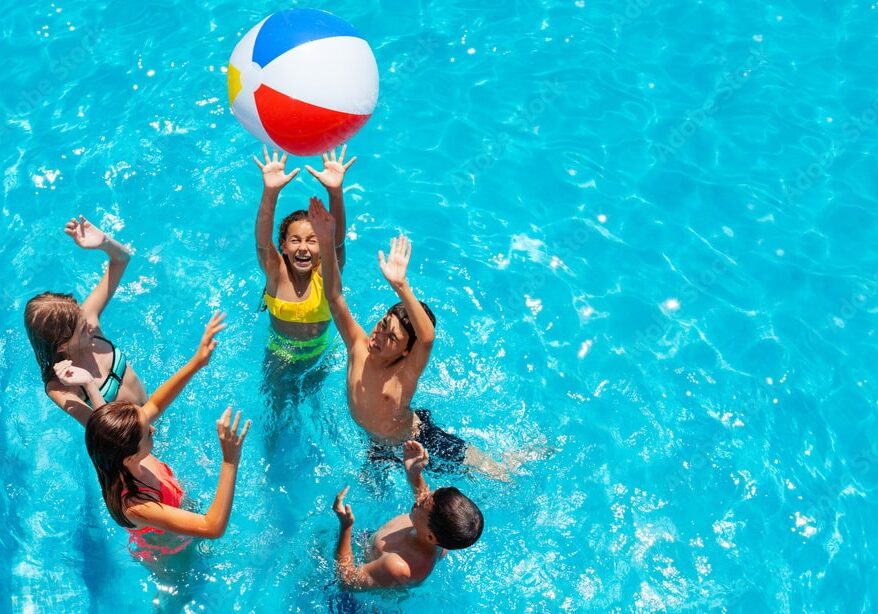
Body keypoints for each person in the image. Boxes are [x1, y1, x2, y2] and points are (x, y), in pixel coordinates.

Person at [307, 198, 509, 478]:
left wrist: (401, 285)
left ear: (404, 352)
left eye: (391, 337)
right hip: (376, 444)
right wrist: (326, 241)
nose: (378, 335)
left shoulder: (403, 375)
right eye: (383, 324)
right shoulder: (357, 347)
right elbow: (334, 296)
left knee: (489, 472)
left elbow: (426, 338)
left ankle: (515, 460)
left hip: (417, 442)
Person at [84, 312, 251, 565]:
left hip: (175, 512)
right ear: (129, 456)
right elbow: (212, 527)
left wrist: (197, 362)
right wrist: (230, 460)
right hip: (171, 555)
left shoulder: (114, 452)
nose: (152, 429)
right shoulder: (136, 505)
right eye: (146, 432)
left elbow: (155, 403)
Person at [24, 215, 147, 426]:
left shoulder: (86, 319)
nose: (90, 324)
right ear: (62, 344)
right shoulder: (60, 387)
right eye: (81, 330)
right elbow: (105, 433)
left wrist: (105, 244)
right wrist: (89, 384)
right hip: (131, 447)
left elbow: (122, 260)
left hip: (153, 413)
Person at [254, 145, 356, 367]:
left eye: (312, 240)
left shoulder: (324, 275)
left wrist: (335, 192)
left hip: (319, 357)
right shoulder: (276, 274)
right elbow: (262, 244)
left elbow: (337, 243)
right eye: (295, 240)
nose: (303, 248)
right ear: (283, 246)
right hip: (278, 355)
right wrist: (270, 192)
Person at [332, 441, 483, 589]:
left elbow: (346, 581)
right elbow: (426, 501)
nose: (419, 500)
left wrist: (346, 527)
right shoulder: (440, 535)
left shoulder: (397, 565)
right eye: (429, 495)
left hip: (356, 596)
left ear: (430, 537)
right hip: (369, 547)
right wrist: (414, 473)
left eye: (422, 504)